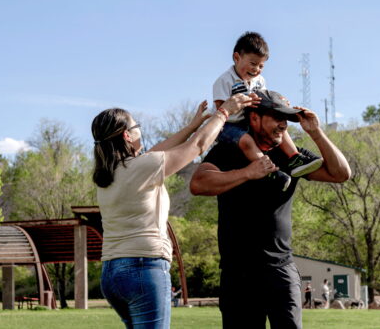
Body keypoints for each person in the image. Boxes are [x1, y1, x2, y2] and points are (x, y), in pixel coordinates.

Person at [91, 93, 257, 328]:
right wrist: (224, 113)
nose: (141, 131)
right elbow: (197, 146)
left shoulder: (108, 174)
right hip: (143, 268)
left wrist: (192, 125)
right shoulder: (143, 167)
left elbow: (159, 152)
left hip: (112, 274)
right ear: (127, 135)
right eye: (137, 127)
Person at [190, 89, 351, 329]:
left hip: (281, 272)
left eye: (285, 119)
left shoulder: (290, 156)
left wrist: (315, 132)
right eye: (277, 117)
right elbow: (198, 183)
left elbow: (340, 174)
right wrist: (247, 173)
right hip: (238, 275)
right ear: (254, 118)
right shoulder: (229, 149)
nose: (283, 125)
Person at [213, 32, 323, 191]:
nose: (256, 69)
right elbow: (220, 111)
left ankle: (295, 158)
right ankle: (268, 170)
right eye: (252, 63)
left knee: (279, 125)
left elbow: (266, 101)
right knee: (246, 141)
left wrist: (278, 102)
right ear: (237, 58)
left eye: (261, 66)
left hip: (250, 120)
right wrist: (240, 104)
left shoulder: (260, 81)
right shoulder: (224, 81)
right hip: (230, 125)